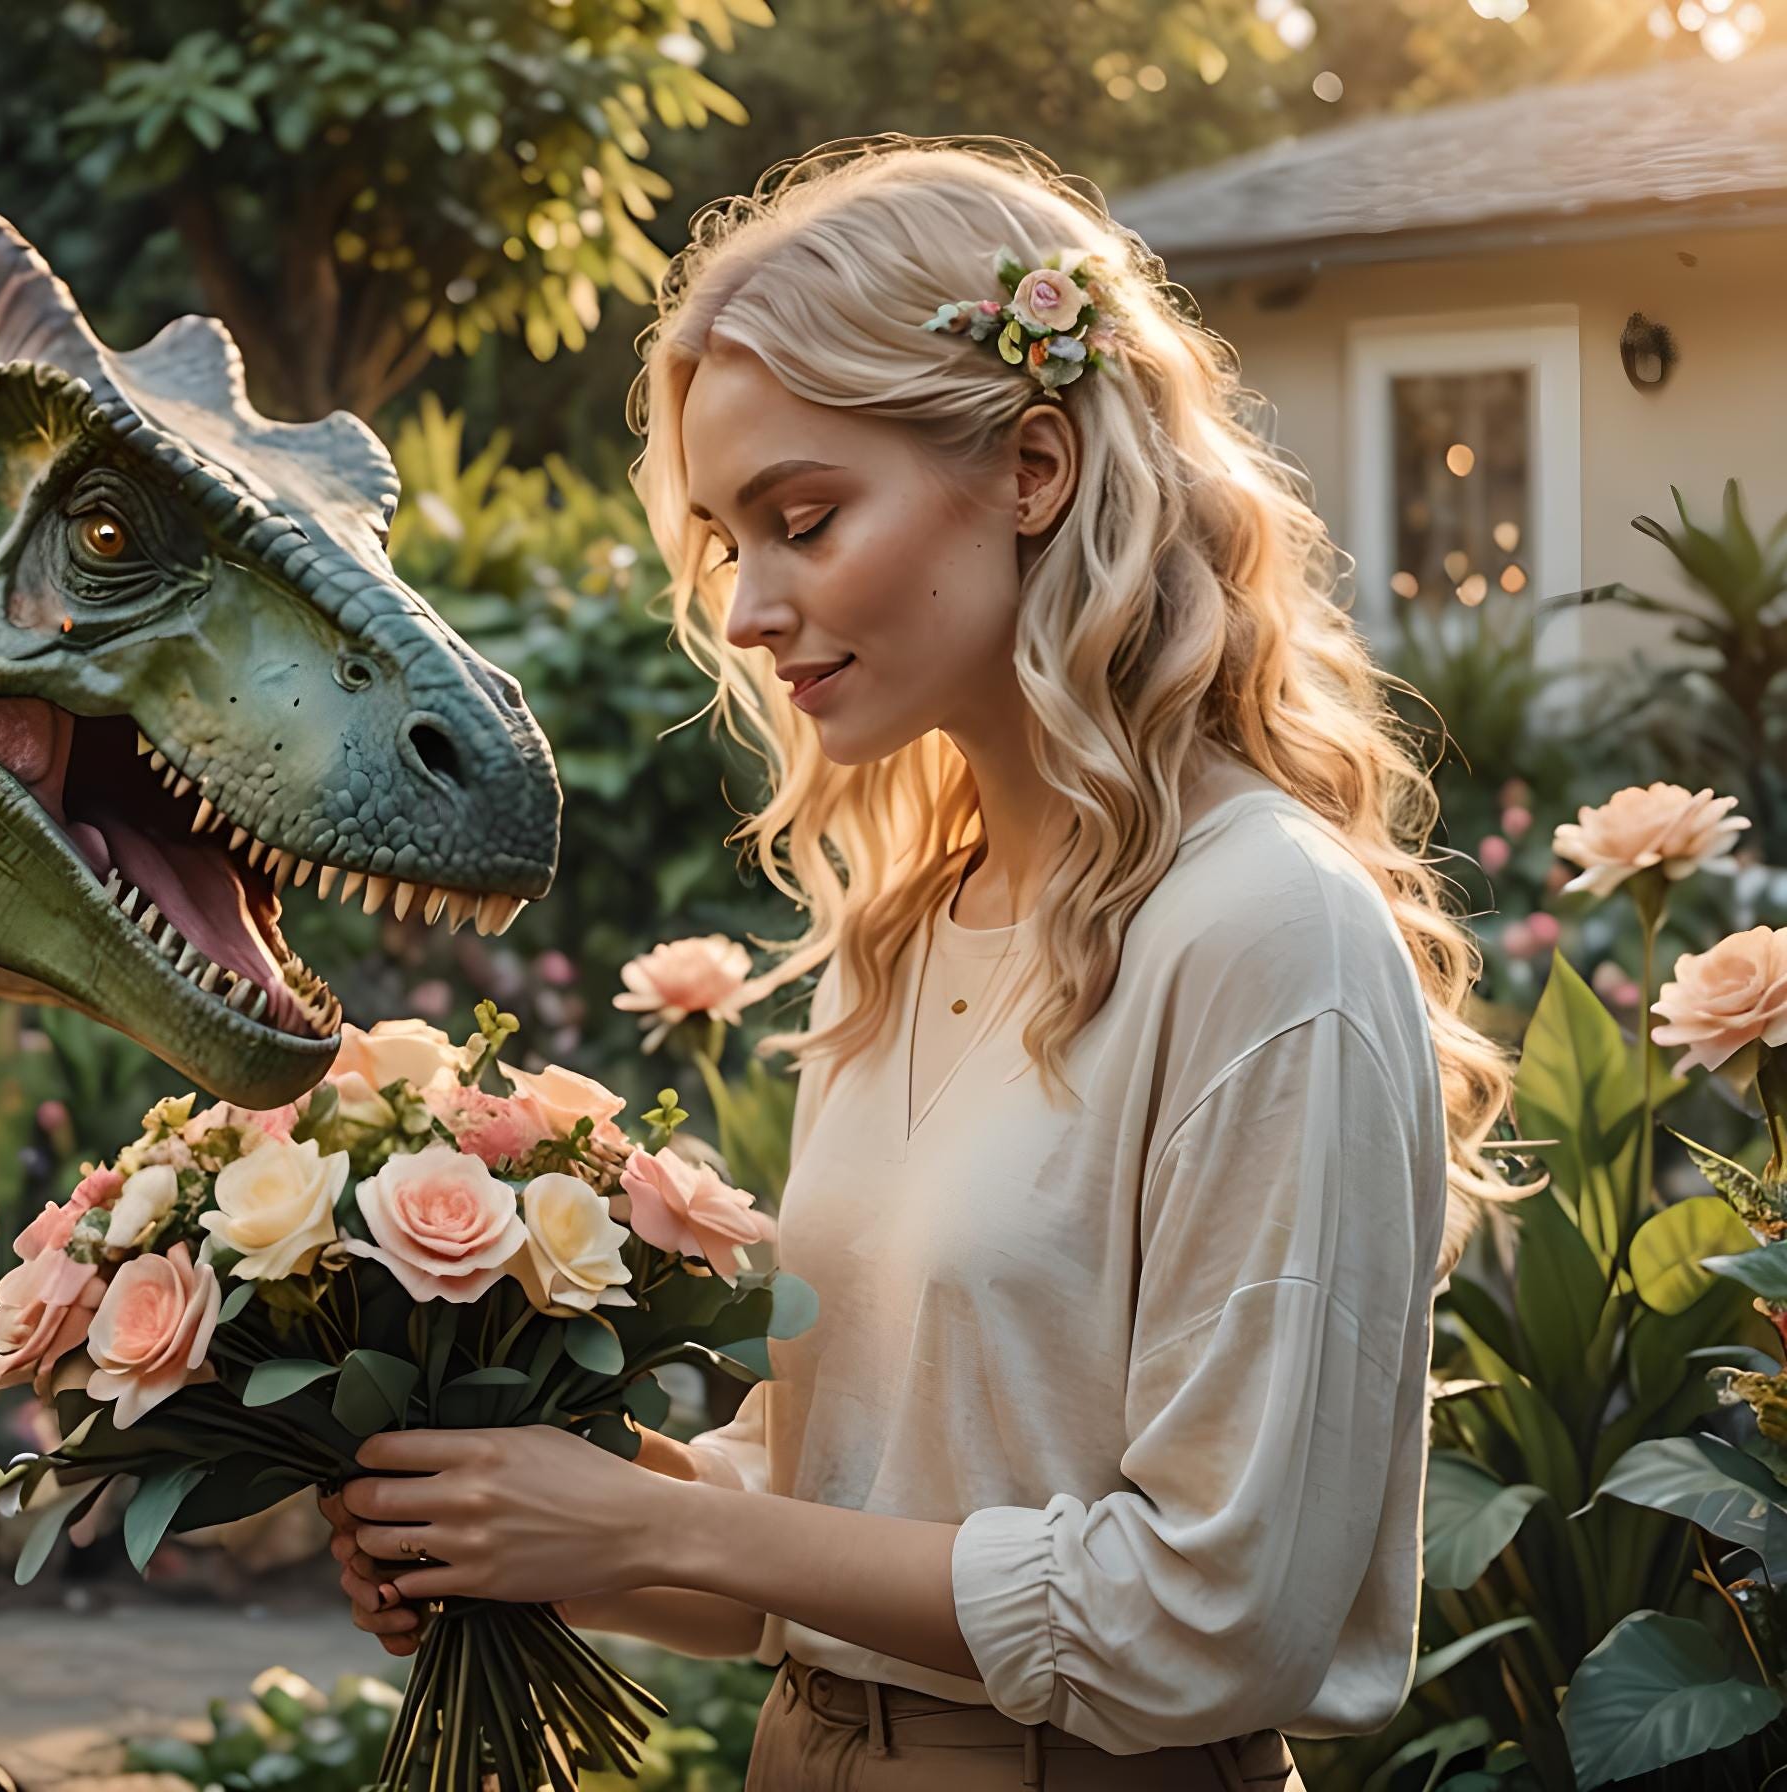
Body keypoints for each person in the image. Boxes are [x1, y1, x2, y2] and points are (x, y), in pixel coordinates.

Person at [316, 134, 1524, 1790]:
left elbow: (1222, 1613)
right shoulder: (902, 930)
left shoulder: (1264, 931)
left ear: (1033, 467)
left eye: (803, 519)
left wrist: (671, 1529)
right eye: (732, 539)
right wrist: (526, 1516)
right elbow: (850, 1516)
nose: (748, 609)